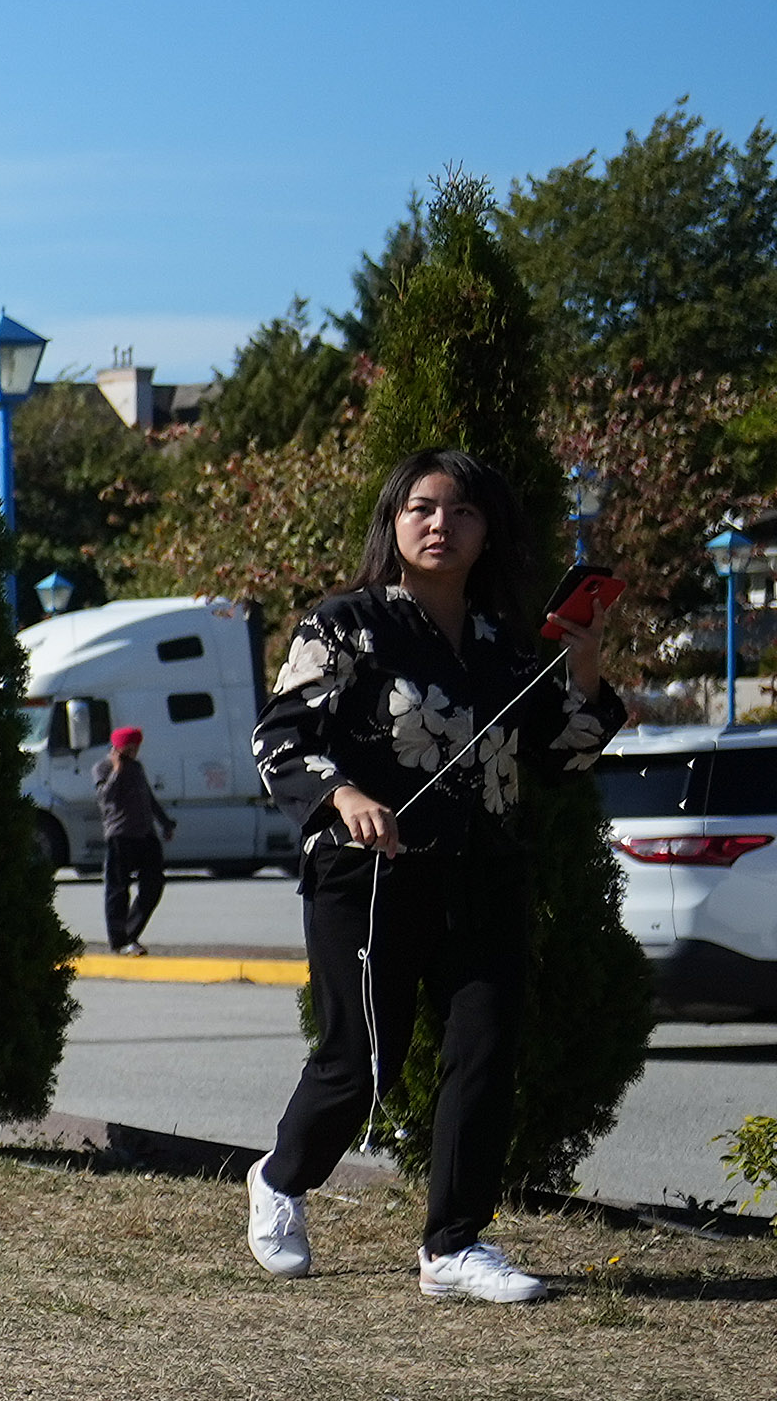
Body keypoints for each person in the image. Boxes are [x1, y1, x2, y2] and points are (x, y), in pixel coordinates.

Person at [248, 446, 621, 1306]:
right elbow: (278, 739)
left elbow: (564, 750)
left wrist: (587, 661)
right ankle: (280, 1179)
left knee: (484, 1050)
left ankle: (453, 1245)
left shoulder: (498, 642)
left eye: (460, 512)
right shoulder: (345, 623)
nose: (440, 524)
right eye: (421, 508)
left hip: (484, 872)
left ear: (487, 533)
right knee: (364, 1062)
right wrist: (344, 793)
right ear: (394, 523)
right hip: (369, 874)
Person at [95, 724, 172, 956]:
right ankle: (119, 941)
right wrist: (117, 770)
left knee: (153, 885)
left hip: (145, 834)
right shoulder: (103, 768)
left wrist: (165, 822)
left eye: (135, 748)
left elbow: (148, 798)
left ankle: (131, 932)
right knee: (118, 890)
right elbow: (105, 797)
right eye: (128, 749)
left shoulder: (137, 768)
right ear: (118, 748)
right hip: (120, 835)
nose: (133, 753)